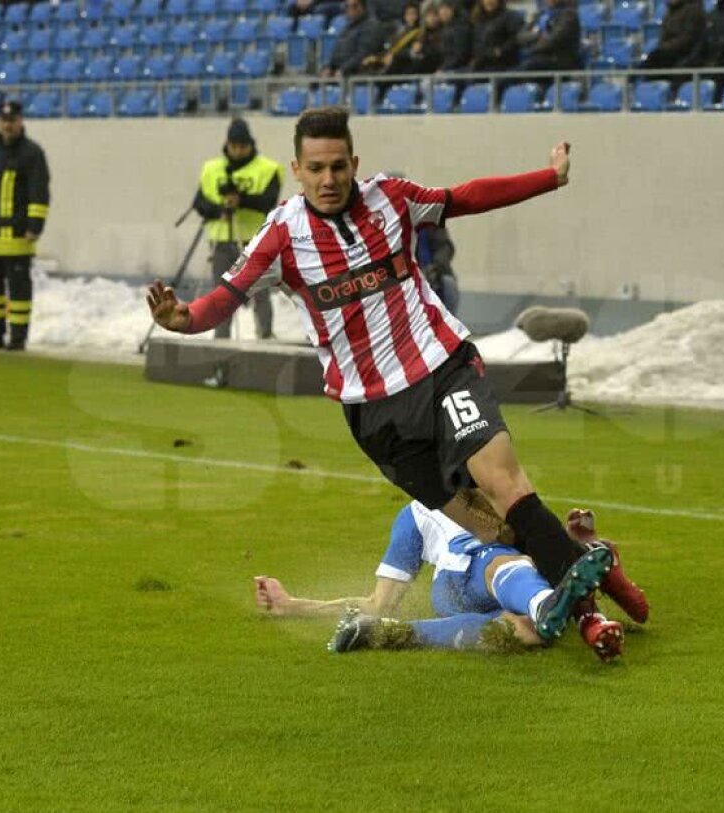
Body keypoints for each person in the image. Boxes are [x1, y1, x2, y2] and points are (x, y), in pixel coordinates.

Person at [146, 107, 624, 643]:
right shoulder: (281, 236)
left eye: (338, 167)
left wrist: (548, 178)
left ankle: (584, 613)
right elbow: (223, 299)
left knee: (503, 481)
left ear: (354, 163)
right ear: (296, 170)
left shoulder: (391, 198)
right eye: (316, 168)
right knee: (490, 527)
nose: (329, 180)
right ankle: (578, 561)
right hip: (377, 417)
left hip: (441, 368)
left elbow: (463, 197)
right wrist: (182, 320)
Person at [255, 502, 637, 661]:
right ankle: (545, 605)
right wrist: (295, 605)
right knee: (500, 558)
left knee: (528, 634)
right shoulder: (417, 512)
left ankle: (388, 633)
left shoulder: (501, 490)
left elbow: (377, 609)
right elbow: (379, 598)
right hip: (460, 580)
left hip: (496, 588)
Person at [0, 100, 50, 351]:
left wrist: (35, 226)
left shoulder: (32, 153)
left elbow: (39, 192)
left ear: (20, 121)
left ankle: (17, 337)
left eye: (12, 120)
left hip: (17, 237)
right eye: (4, 120)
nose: (7, 125)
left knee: (18, 291)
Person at [192, 119, 283, 341]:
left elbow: (268, 201)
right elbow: (200, 203)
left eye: (243, 146)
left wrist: (241, 201)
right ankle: (221, 342)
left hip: (254, 242)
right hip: (222, 242)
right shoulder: (212, 168)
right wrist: (220, 208)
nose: (239, 151)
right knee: (222, 296)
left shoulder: (268, 168)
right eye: (234, 146)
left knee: (259, 292)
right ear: (227, 144)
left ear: (251, 144)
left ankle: (265, 337)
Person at [321, 0, 386, 80]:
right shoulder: (348, 27)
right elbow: (337, 52)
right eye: (347, 6)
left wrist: (344, 69)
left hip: (357, 74)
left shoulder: (372, 27)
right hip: (339, 72)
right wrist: (329, 67)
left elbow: (363, 54)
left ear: (363, 7)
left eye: (354, 6)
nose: (350, 9)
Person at [642, 0, 706, 70]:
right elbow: (663, 36)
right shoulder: (669, 11)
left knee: (655, 58)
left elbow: (688, 38)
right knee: (651, 59)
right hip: (668, 52)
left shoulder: (693, 10)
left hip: (683, 54)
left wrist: (666, 47)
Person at [519, 0, 581, 72]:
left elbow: (552, 41)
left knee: (528, 66)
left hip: (558, 61)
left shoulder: (569, 15)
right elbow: (520, 36)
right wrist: (537, 36)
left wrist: (530, 49)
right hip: (538, 58)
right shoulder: (541, 14)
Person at [468, 0, 521, 72]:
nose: (489, 1)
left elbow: (515, 39)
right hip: (481, 64)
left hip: (502, 64)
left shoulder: (510, 16)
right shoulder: (479, 19)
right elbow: (476, 43)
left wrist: (500, 51)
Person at [436, 0, 473, 72]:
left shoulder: (461, 27)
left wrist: (443, 69)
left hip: (459, 70)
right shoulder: (444, 28)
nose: (443, 12)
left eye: (446, 9)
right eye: (441, 9)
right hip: (448, 67)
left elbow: (460, 55)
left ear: (453, 10)